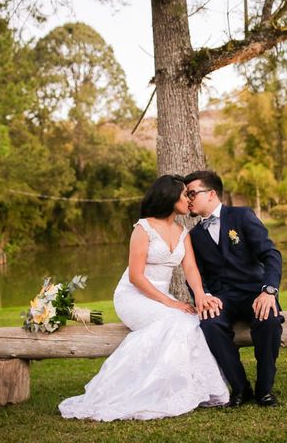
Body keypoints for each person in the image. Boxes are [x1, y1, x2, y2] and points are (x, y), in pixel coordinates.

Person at [59, 174, 229, 421]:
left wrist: (201, 295)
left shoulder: (183, 232)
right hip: (134, 296)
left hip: (160, 296)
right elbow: (136, 277)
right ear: (170, 198)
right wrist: (171, 302)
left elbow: (191, 269)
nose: (189, 199)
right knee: (178, 320)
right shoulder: (143, 228)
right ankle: (142, 391)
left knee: (190, 321)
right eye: (185, 194)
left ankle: (188, 389)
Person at [184, 170, 284, 408]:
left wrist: (269, 291)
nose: (188, 199)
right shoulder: (194, 235)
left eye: (192, 193)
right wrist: (205, 296)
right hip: (223, 298)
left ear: (211, 194)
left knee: (269, 321)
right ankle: (240, 388)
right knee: (210, 324)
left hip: (255, 292)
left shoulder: (242, 216)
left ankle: (264, 389)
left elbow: (271, 254)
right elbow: (195, 273)